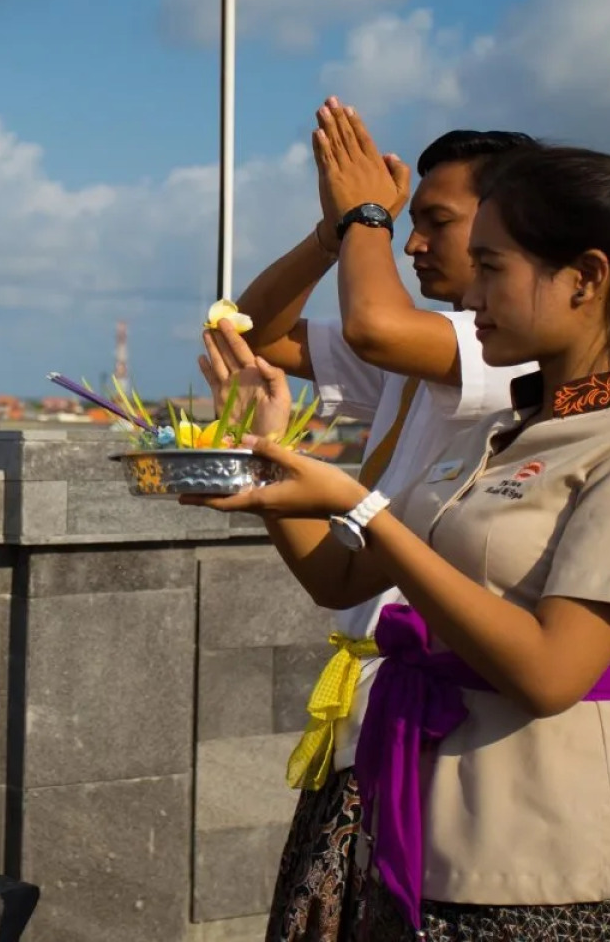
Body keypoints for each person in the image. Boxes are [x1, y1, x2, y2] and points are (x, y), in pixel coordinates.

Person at [194, 146, 610, 940]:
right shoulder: (508, 427)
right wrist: (272, 475)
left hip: (546, 855)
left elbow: (550, 671)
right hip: (419, 818)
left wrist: (364, 506)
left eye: (493, 267)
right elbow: (343, 577)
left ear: (587, 278)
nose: (472, 290)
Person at [226, 98, 536, 940]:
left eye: (436, 221)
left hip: (448, 726)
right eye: (406, 221)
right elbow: (253, 332)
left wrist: (365, 212)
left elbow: (375, 324)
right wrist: (332, 236)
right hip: (367, 705)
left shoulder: (512, 354)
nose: (409, 241)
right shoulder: (418, 352)